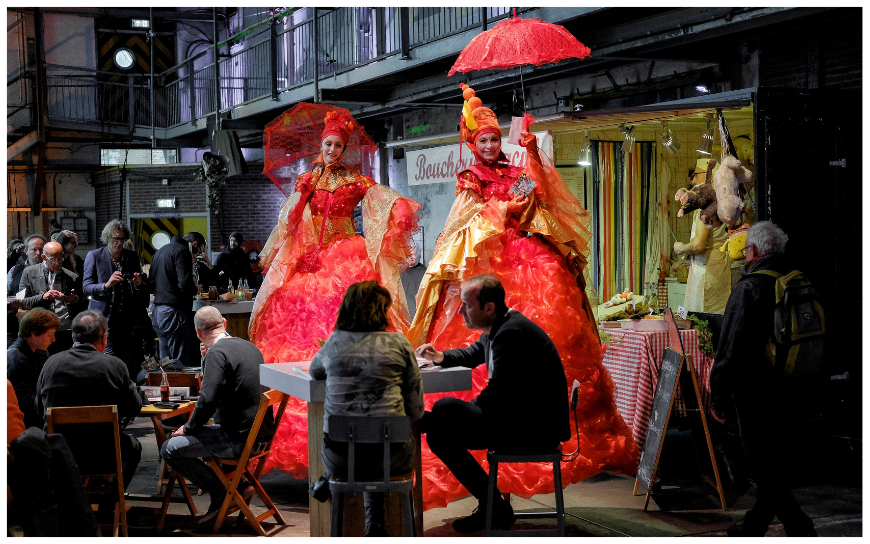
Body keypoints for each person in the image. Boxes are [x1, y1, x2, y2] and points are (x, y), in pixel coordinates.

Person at [406, 85, 638, 508]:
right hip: (490, 258)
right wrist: (501, 212)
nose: (492, 146)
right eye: (484, 140)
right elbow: (464, 225)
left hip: (525, 265)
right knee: (473, 354)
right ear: (472, 144)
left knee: (552, 322)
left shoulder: (517, 171)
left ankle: (491, 494)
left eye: (496, 139)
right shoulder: (470, 179)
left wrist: (532, 157)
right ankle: (491, 491)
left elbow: (543, 199)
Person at [249, 108, 420, 477]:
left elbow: (382, 197)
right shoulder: (307, 179)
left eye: (338, 145)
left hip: (345, 254)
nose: (332, 150)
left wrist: (400, 209)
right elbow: (290, 222)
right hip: (309, 259)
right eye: (327, 144)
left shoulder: (356, 181)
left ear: (344, 149)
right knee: (299, 319)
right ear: (321, 146)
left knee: (343, 312)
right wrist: (301, 196)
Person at [416, 275, 569, 532]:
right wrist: (440, 356)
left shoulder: (511, 334)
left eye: (467, 304)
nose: (461, 310)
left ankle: (494, 507)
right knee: (439, 434)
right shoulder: (500, 326)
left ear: (489, 308)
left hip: (535, 429)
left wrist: (464, 413)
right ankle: (494, 507)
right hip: (522, 418)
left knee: (444, 411)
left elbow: (499, 393)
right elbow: (474, 353)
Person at [709, 221, 816, 537]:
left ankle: (800, 526)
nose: (743, 257)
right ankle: (754, 526)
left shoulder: (749, 287)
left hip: (756, 389)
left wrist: (718, 395)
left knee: (761, 465)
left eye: (744, 251)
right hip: (793, 384)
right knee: (774, 460)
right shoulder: (797, 280)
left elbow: (729, 347)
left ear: (753, 250)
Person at [310, 281, 424, 537]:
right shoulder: (400, 344)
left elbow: (314, 370)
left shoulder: (334, 343)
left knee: (356, 448)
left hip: (340, 459)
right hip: (393, 458)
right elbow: (417, 411)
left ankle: (329, 482)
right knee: (380, 447)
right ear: (383, 311)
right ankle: (375, 524)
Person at [160, 306, 269, 523]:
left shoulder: (218, 354)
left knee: (169, 448)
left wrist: (189, 427)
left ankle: (222, 493)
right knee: (201, 434)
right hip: (260, 437)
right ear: (225, 323)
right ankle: (238, 486)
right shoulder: (249, 347)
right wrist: (207, 360)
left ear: (198, 333)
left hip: (238, 440)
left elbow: (208, 399)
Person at [35, 311, 146, 487]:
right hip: (104, 452)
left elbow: (39, 408)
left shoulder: (51, 364)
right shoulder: (115, 366)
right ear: (104, 339)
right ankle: (110, 504)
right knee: (133, 447)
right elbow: (134, 408)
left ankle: (76, 500)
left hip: (59, 449)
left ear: (73, 336)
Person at [82, 220, 147, 379]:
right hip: (105, 318)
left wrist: (138, 284)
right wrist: (106, 285)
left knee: (129, 361)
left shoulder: (130, 256)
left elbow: (140, 288)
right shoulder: (95, 255)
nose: (119, 243)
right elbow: (86, 287)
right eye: (115, 239)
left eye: (122, 239)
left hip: (128, 319)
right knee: (110, 359)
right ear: (107, 237)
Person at [147, 231, 203, 366]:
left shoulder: (160, 251)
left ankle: (167, 385)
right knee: (179, 359)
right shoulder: (182, 251)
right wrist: (196, 289)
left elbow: (150, 284)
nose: (197, 255)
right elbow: (184, 284)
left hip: (158, 312)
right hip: (175, 312)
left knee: (165, 359)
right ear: (194, 244)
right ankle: (180, 387)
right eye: (198, 251)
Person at [17, 241, 83, 353]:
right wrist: (42, 297)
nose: (57, 263)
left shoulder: (71, 277)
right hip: (40, 328)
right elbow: (21, 302)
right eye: (53, 259)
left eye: (60, 259)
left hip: (65, 329)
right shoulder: (29, 273)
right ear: (43, 257)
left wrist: (73, 299)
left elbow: (83, 303)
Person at [7, 308, 60, 429]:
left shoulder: (38, 352)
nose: (53, 339)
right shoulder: (15, 360)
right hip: (28, 427)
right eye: (50, 335)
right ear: (34, 333)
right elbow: (24, 403)